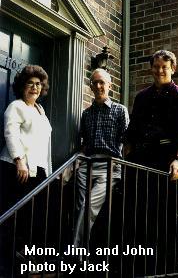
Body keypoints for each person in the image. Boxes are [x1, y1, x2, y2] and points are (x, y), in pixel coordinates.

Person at [124, 50, 178, 275]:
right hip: (139, 164)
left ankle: (163, 270)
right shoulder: (142, 97)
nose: (159, 70)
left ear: (173, 68)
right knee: (137, 217)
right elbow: (132, 132)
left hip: (165, 166)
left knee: (163, 221)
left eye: (164, 67)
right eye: (156, 66)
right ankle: (139, 269)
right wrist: (127, 156)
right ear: (151, 68)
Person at [0, 65, 52, 277]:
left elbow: (44, 144)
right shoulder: (16, 106)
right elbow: (10, 133)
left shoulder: (41, 111)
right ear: (22, 86)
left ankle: (26, 265)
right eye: (30, 83)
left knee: (32, 219)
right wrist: (19, 159)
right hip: (16, 168)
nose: (35, 87)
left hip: (37, 171)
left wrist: (48, 173)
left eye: (38, 84)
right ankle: (6, 267)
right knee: (12, 218)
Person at [72, 68, 129, 253]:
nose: (98, 86)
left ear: (109, 85)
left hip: (110, 166)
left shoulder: (120, 111)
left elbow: (127, 143)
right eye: (94, 82)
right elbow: (83, 144)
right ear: (90, 86)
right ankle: (82, 255)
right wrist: (76, 163)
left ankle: (74, 250)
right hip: (87, 165)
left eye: (102, 82)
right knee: (81, 207)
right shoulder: (86, 114)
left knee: (89, 206)